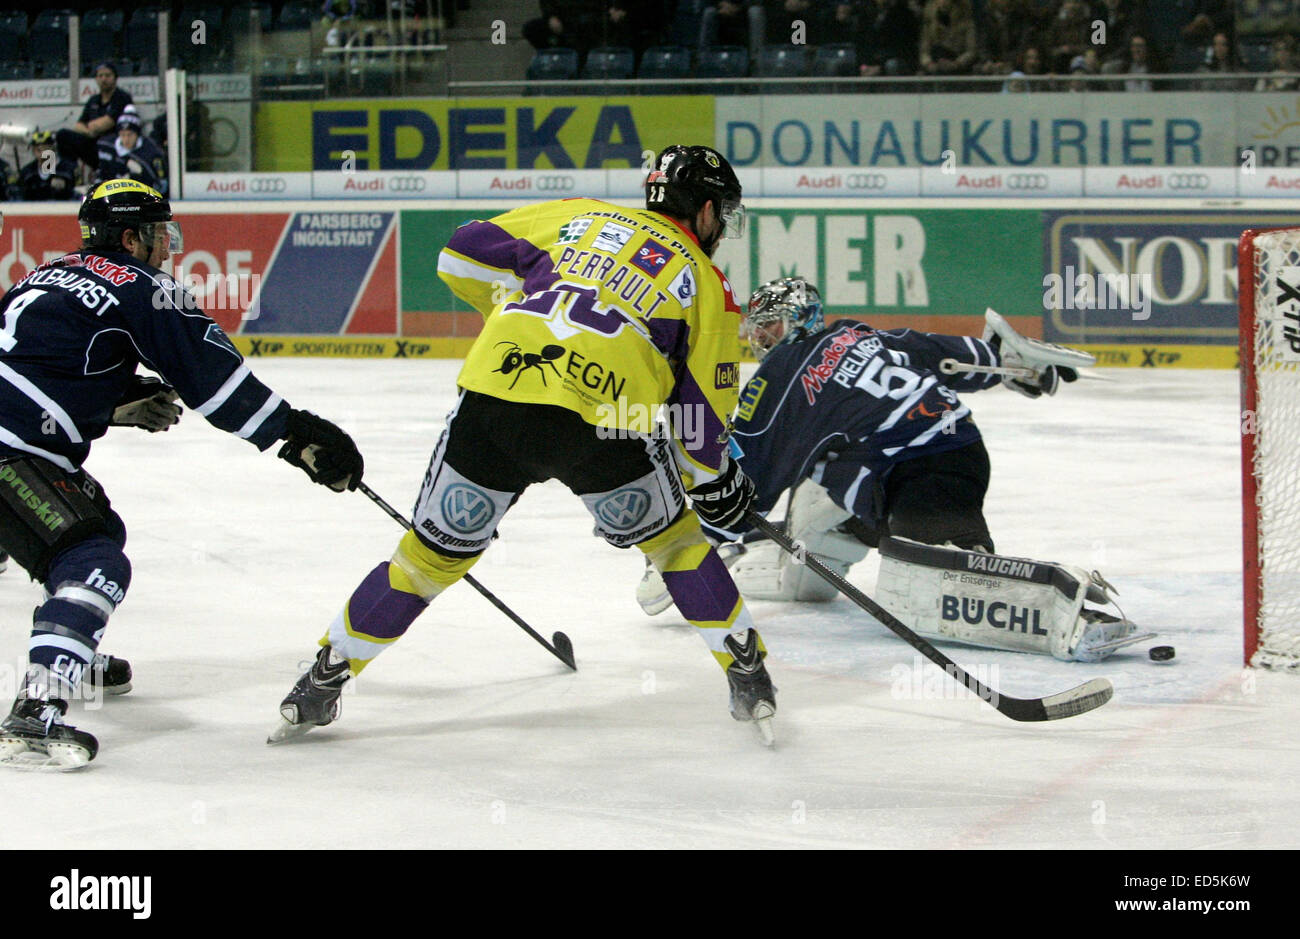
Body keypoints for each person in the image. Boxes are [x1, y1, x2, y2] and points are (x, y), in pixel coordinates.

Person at [269, 145, 778, 746]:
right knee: (675, 546)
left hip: (497, 398)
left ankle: (321, 682)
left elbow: (458, 253)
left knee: (425, 561)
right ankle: (749, 678)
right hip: (609, 419)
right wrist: (719, 487)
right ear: (709, 211)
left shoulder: (578, 215)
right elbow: (699, 418)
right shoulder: (706, 282)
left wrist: (523, 311)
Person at [0, 181, 363, 770]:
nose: (167, 249)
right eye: (159, 234)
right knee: (94, 561)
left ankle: (72, 643)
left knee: (92, 527)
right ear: (130, 237)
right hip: (11, 453)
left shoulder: (46, 274)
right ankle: (38, 702)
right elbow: (214, 383)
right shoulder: (141, 287)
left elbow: (38, 364)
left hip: (18, 444)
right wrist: (298, 436)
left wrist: (115, 404)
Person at [636, 277, 1145, 661]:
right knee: (812, 529)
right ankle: (771, 566)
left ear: (799, 319)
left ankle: (1067, 605)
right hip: (948, 451)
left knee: (930, 586)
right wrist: (1011, 366)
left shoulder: (778, 379)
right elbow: (946, 357)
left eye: (771, 324)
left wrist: (688, 543)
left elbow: (748, 482)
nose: (763, 337)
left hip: (919, 471)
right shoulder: (858, 333)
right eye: (759, 327)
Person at [55, 62, 134, 177]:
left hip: (114, 147)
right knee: (62, 135)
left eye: (107, 76)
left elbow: (107, 123)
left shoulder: (122, 97)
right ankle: (68, 174)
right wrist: (90, 131)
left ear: (115, 78)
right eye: (100, 76)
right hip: (93, 145)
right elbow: (78, 126)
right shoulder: (93, 100)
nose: (103, 79)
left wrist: (91, 127)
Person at [95, 111, 168, 194]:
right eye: (123, 135)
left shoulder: (151, 151)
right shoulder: (106, 146)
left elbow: (162, 185)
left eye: (130, 135)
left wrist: (140, 176)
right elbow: (101, 174)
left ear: (137, 134)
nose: (126, 140)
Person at [14, 130, 79, 202]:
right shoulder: (27, 172)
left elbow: (80, 194)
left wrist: (66, 189)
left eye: (45, 147)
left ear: (53, 148)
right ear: (33, 150)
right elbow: (17, 196)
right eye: (38, 149)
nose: (42, 151)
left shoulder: (69, 169)